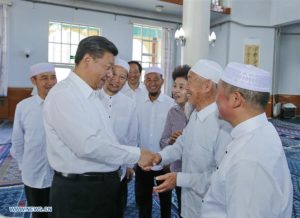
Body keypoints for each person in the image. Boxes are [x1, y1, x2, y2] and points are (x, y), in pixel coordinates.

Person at [43, 36, 154, 218]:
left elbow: (106, 140)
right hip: (80, 193)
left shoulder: (92, 95)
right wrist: (138, 155)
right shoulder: (64, 95)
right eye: (108, 67)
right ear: (88, 60)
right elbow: (87, 145)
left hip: (102, 188)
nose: (110, 74)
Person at [201, 62, 293, 218]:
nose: (215, 99)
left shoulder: (249, 159)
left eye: (219, 92)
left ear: (236, 99)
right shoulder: (262, 129)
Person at [148, 60, 232, 218]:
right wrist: (159, 157)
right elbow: (181, 145)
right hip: (189, 206)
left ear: (206, 86)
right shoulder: (195, 115)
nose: (185, 87)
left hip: (210, 209)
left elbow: (221, 177)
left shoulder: (223, 124)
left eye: (190, 80)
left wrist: (180, 179)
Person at [11, 63, 57, 218]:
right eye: (44, 78)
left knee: (58, 212)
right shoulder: (23, 107)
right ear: (34, 81)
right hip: (32, 172)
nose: (50, 82)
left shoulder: (63, 106)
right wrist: (23, 166)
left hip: (59, 173)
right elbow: (17, 141)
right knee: (39, 212)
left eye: (53, 77)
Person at [99, 57, 137, 217]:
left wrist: (129, 164)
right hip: (92, 169)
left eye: (122, 77)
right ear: (106, 73)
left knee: (116, 210)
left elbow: (132, 136)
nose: (117, 80)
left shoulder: (129, 104)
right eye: (114, 74)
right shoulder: (91, 98)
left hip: (118, 170)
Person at [135, 66, 175, 218]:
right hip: (142, 163)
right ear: (144, 82)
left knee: (166, 203)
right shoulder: (137, 104)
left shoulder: (171, 104)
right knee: (143, 202)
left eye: (156, 79)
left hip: (164, 162)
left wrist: (170, 160)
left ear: (162, 81)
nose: (152, 83)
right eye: (148, 80)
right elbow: (135, 132)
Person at [159, 64, 191, 218]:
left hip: (196, 172)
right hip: (178, 170)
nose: (176, 90)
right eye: (175, 86)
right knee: (181, 210)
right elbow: (162, 141)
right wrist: (171, 141)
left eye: (181, 87)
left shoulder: (199, 113)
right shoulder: (173, 112)